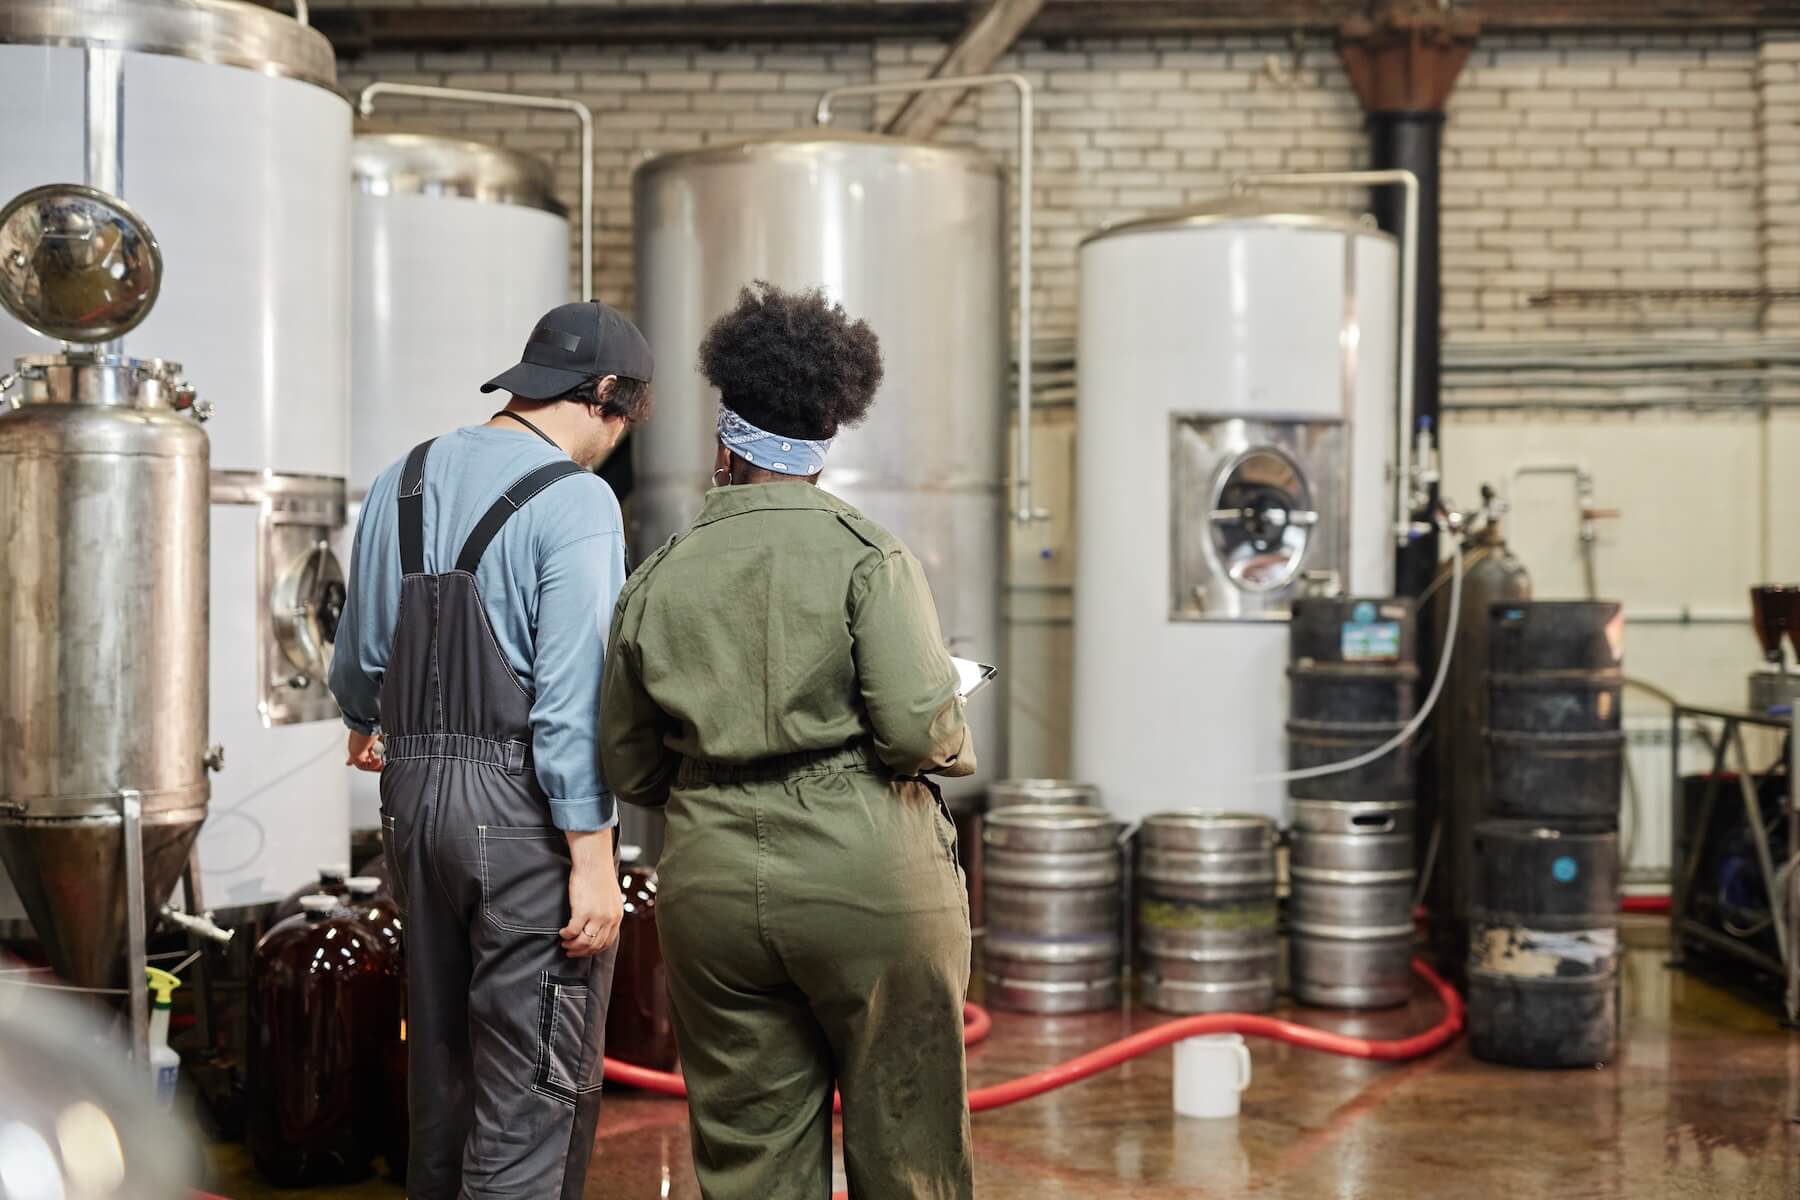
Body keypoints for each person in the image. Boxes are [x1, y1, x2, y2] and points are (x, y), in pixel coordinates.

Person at [600, 282, 975, 1200]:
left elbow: (630, 761)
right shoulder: (866, 556)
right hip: (870, 880)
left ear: (726, 445)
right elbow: (916, 727)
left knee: (749, 1152)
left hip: (714, 888)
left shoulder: (656, 578)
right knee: (910, 1140)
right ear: (818, 448)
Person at [329, 300, 652, 1200]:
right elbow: (573, 699)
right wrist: (593, 858)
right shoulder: (578, 500)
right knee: (531, 1095)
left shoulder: (403, 477)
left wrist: (369, 719)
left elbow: (359, 655)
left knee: (443, 1076)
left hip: (412, 807)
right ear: (606, 397)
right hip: (521, 823)